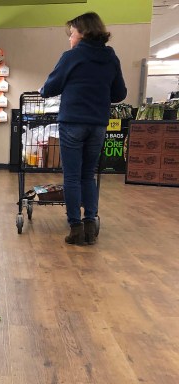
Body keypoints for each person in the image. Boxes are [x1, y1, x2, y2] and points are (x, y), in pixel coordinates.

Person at [40, 12, 127, 246]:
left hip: (72, 123)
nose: (70, 38)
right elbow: (119, 93)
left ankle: (75, 228)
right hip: (98, 124)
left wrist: (44, 90)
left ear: (83, 33)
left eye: (72, 34)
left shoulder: (71, 57)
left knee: (71, 177)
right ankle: (90, 225)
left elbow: (49, 88)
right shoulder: (111, 57)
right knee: (88, 175)